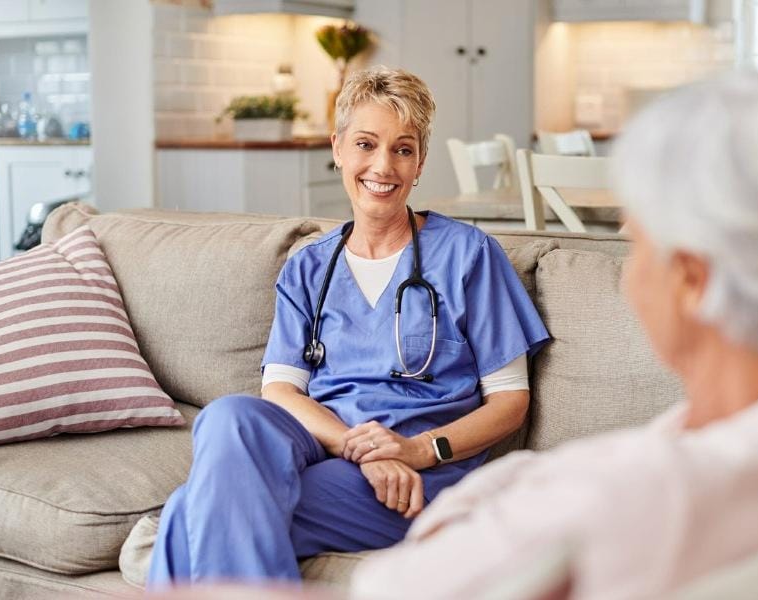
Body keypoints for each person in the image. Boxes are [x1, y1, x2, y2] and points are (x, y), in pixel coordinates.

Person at [351, 71, 758, 599]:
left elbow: (388, 589)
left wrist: (502, 487)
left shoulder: (630, 497)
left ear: (692, 281)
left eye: (639, 245)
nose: (628, 271)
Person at [146, 66, 549, 586]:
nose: (383, 165)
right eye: (366, 144)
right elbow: (281, 391)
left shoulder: (470, 256)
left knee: (190, 511)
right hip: (327, 442)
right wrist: (353, 446)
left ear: (420, 162)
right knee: (230, 417)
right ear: (337, 148)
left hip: (417, 472)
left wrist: (416, 450)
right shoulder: (309, 265)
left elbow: (510, 403)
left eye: (403, 149)